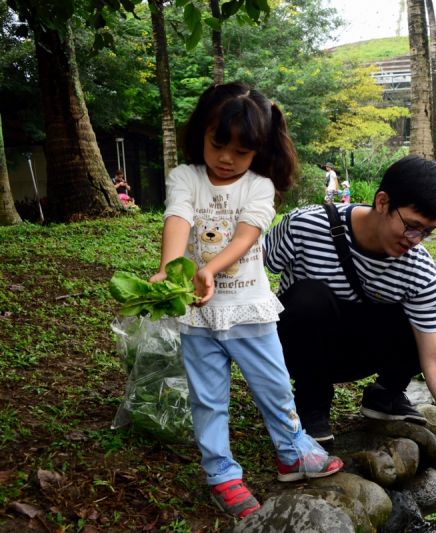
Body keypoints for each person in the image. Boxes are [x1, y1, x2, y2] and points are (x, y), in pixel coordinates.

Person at [150, 82, 342, 518]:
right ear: (202, 132)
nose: (226, 159)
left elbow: (245, 235)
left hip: (250, 310)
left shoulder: (259, 186)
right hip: (198, 317)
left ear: (259, 150)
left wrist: (210, 269)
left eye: (241, 151)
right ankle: (222, 475)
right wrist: (169, 266)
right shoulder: (185, 177)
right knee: (208, 399)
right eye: (219, 144)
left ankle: (291, 452)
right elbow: (178, 217)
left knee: (275, 388)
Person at [264, 155, 436, 487]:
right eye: (411, 225)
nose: (415, 240)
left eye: (427, 231)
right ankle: (312, 406)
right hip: (305, 346)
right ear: (382, 202)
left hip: (362, 353)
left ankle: (387, 393)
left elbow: (434, 359)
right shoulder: (304, 226)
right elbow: (250, 269)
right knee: (308, 296)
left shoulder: (417, 269)